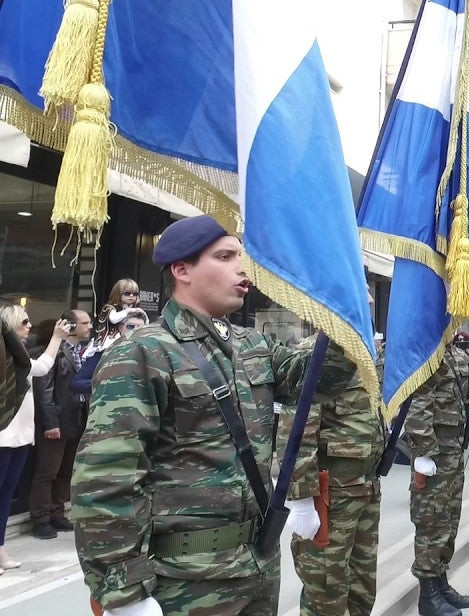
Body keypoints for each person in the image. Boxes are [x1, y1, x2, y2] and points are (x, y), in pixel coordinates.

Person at [69, 214, 328, 615]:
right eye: (225, 257)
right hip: (185, 580)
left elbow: (321, 377)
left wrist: (342, 322)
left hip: (257, 567)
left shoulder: (251, 345)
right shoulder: (144, 352)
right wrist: (125, 593)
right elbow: (106, 480)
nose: (242, 268)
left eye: (241, 257)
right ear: (182, 269)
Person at [278, 318, 386, 616]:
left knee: (362, 587)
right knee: (325, 590)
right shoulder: (315, 353)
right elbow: (296, 431)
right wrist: (300, 498)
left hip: (365, 487)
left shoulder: (362, 353)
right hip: (330, 497)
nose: (365, 300)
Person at [407, 331, 469, 616]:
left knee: (448, 521)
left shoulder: (457, 355)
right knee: (431, 522)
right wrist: (424, 450)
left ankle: (441, 583)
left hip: (452, 451)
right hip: (434, 452)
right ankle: (427, 596)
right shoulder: (427, 353)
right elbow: (418, 404)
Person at [0, 306, 69, 570]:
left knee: (6, 495)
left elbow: (40, 368)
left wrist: (56, 338)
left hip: (21, 436)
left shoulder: (20, 358)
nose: (29, 326)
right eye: (24, 322)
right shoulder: (5, 358)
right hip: (4, 436)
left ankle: (0, 549)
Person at [29, 308, 91, 540]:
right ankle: (41, 518)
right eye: (84, 323)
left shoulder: (84, 351)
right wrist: (50, 422)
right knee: (47, 471)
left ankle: (57, 511)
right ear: (71, 326)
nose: (89, 326)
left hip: (76, 419)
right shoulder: (55, 351)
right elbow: (44, 390)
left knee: (66, 471)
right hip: (57, 419)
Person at [73, 308, 149, 396]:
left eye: (140, 328)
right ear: (120, 327)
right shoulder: (104, 352)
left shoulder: (150, 354)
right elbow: (76, 384)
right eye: (130, 326)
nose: (135, 330)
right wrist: (108, 382)